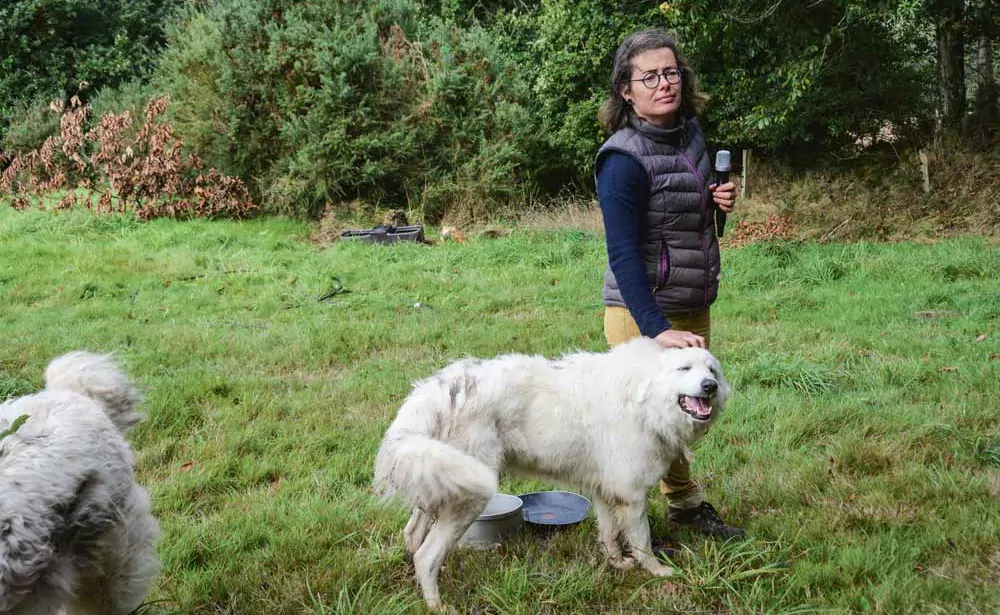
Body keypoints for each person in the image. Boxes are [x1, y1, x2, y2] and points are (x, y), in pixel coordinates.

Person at [594, 28, 744, 541]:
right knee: (639, 428)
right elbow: (623, 255)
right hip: (642, 313)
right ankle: (630, 519)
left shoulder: (691, 135)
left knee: (680, 415)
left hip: (691, 302)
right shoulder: (622, 159)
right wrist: (656, 329)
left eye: (671, 72)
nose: (665, 83)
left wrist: (718, 206)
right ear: (625, 90)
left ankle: (683, 506)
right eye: (650, 76)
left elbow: (692, 225)